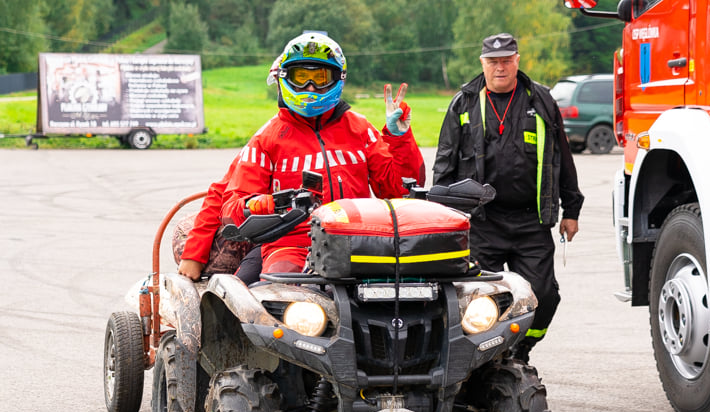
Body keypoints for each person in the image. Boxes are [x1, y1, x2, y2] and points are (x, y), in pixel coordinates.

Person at [432, 33, 584, 363]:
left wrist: (572, 209)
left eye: (506, 60)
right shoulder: (464, 102)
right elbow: (444, 163)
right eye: (493, 61)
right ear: (482, 63)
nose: (500, 67)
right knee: (478, 298)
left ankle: (519, 352)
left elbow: (562, 158)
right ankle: (484, 360)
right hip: (482, 223)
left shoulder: (541, 100)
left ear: (517, 60)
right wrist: (441, 217)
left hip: (531, 221)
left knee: (544, 295)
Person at [221, 32, 426, 276]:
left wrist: (398, 138)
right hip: (290, 246)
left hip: (359, 241)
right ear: (285, 77)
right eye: (301, 77)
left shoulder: (361, 130)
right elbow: (230, 209)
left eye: (320, 77)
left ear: (338, 78)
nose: (310, 87)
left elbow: (399, 193)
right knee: (273, 295)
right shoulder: (266, 139)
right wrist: (256, 205)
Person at [173, 154, 262, 285]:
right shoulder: (266, 141)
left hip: (292, 241)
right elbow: (221, 194)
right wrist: (193, 255)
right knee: (239, 291)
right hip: (268, 238)